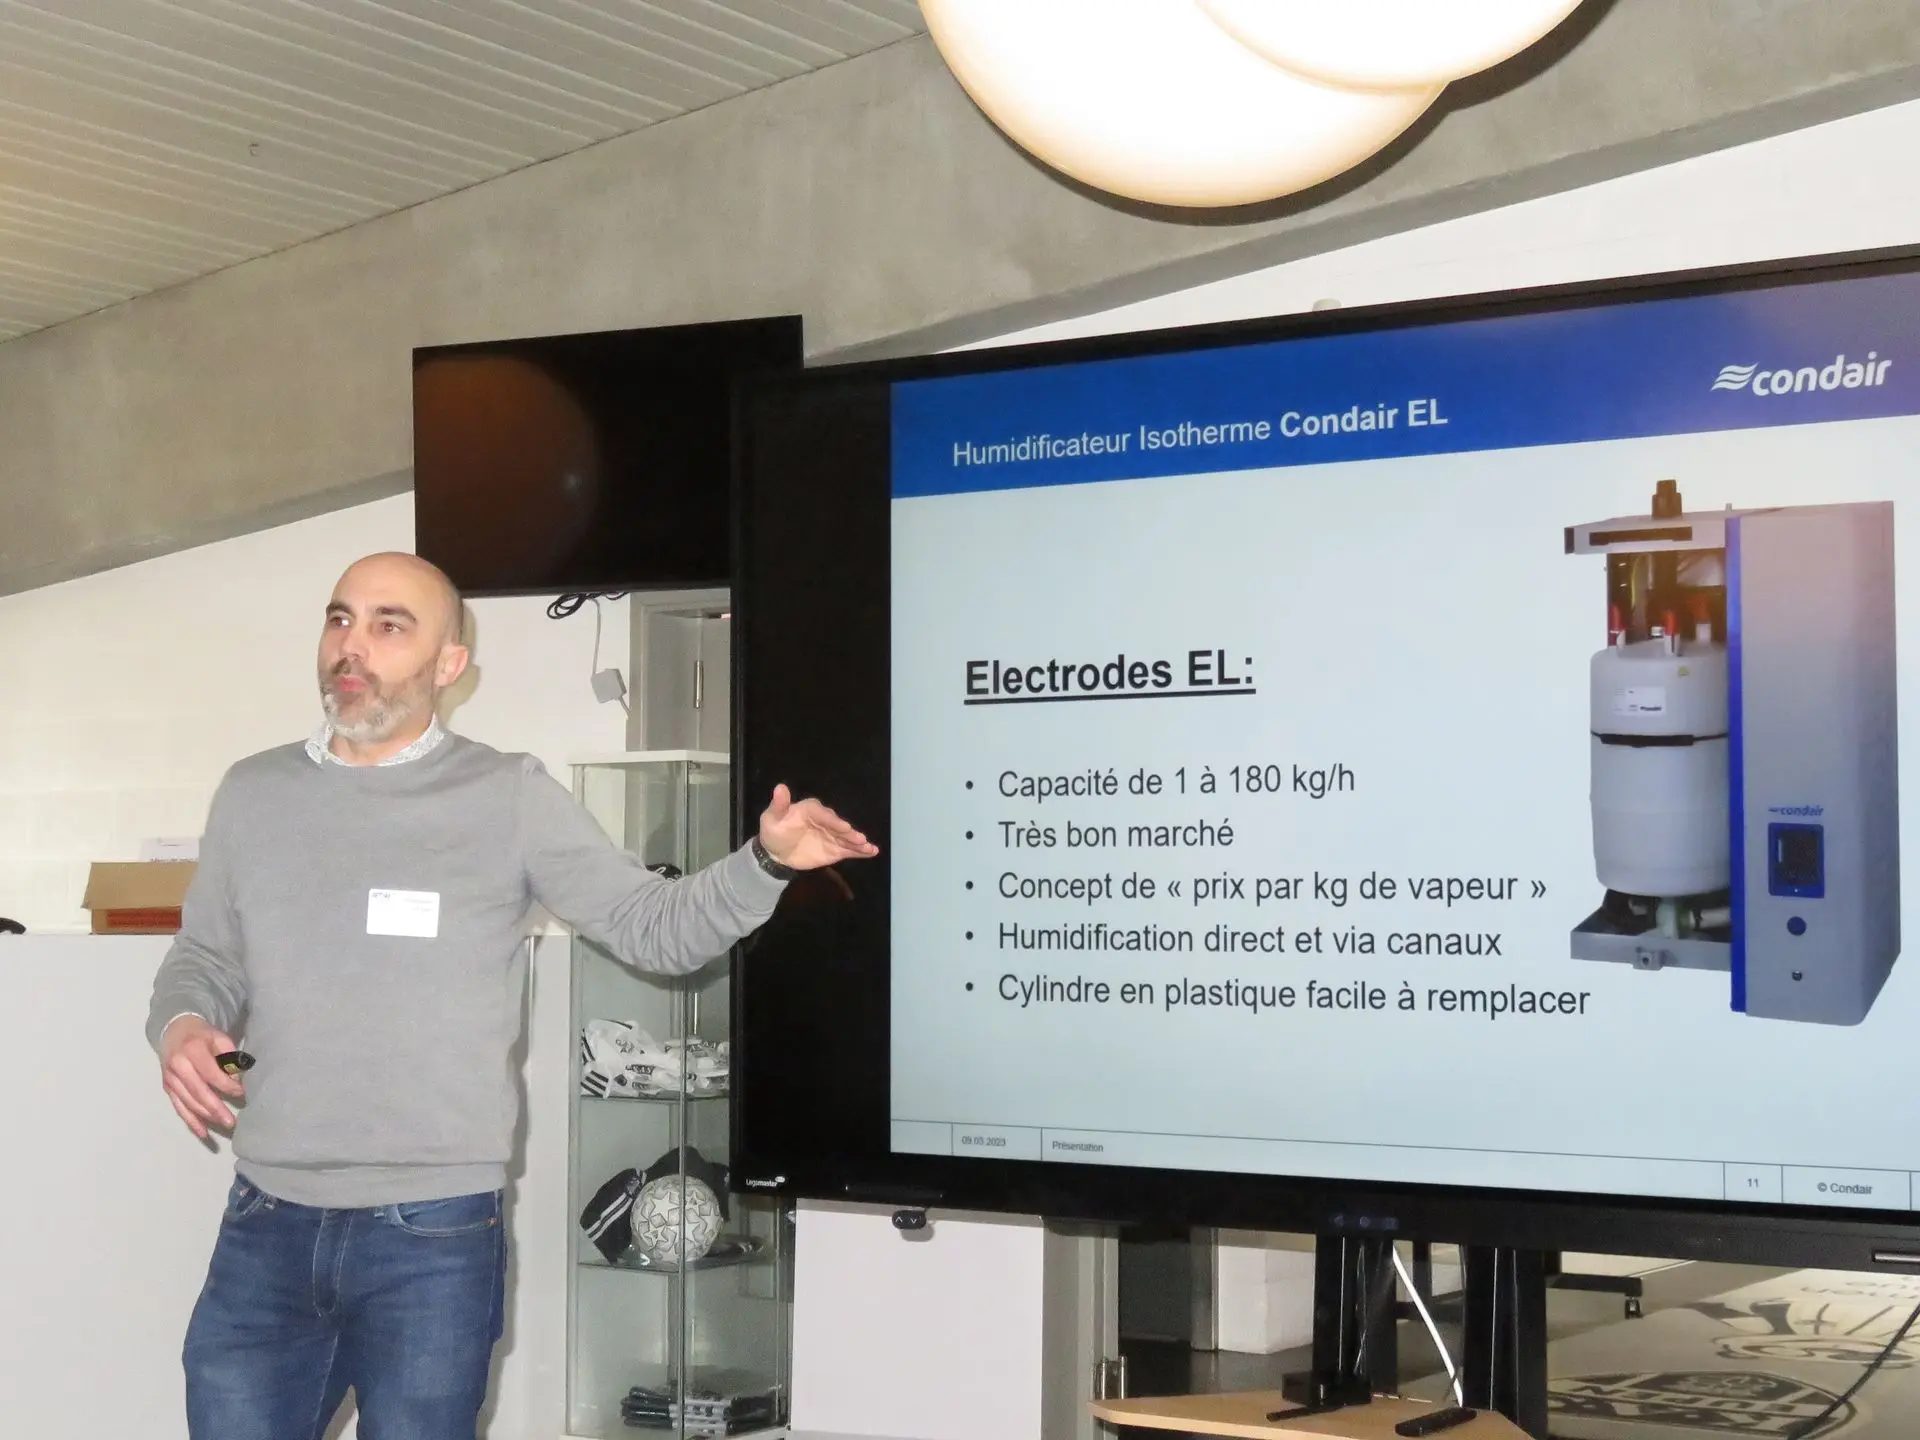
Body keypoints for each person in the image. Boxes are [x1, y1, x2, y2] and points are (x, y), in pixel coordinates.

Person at [147, 551, 876, 1439]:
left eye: (389, 625)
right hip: (266, 1219)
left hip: (431, 1236)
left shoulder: (507, 794)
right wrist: (183, 1023)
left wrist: (765, 862)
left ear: (449, 664)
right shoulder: (253, 792)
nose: (352, 645)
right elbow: (205, 955)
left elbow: (655, 927)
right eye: (341, 618)